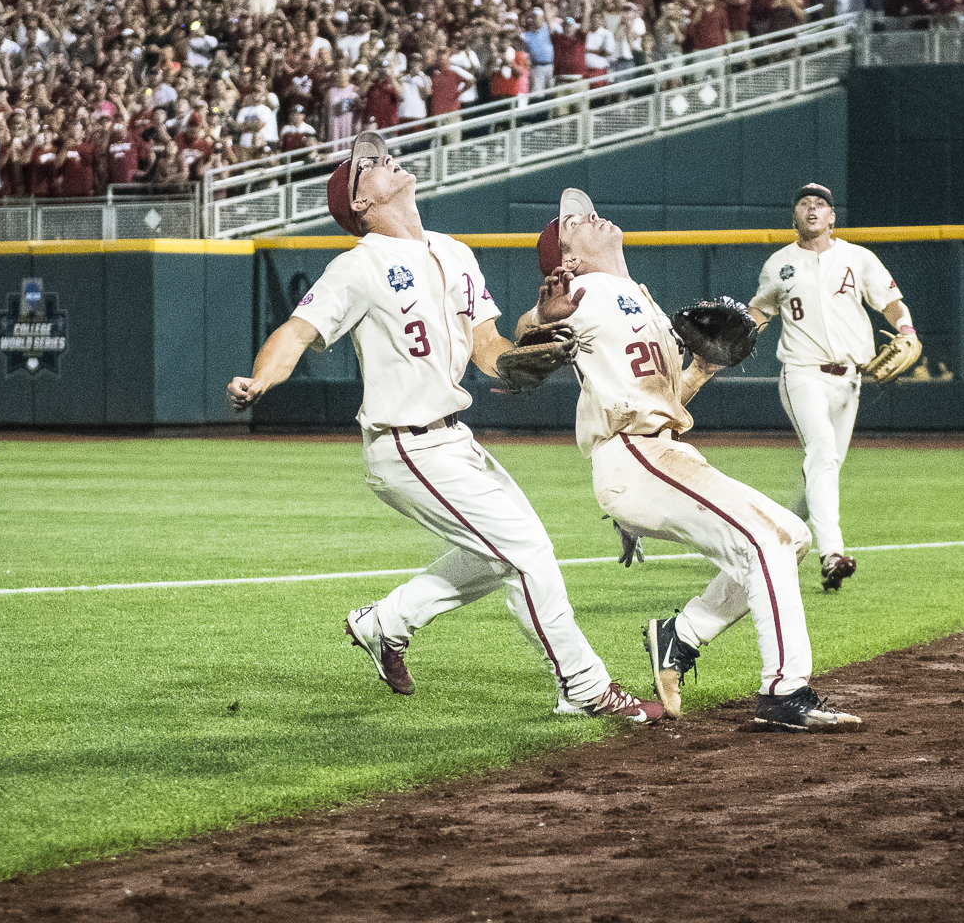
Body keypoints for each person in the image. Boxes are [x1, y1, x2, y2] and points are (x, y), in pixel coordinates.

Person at [226, 133, 662, 725]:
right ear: (358, 204)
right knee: (529, 553)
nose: (384, 161)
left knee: (495, 556)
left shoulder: (454, 251)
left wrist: (534, 342)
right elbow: (297, 332)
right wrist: (258, 382)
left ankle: (382, 624)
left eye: (380, 156)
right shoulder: (358, 265)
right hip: (404, 443)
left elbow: (490, 352)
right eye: (368, 166)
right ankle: (584, 686)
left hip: (454, 438)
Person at [522, 187, 861, 732]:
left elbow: (665, 397)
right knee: (765, 541)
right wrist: (543, 314)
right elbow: (525, 336)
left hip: (661, 450)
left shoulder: (641, 297)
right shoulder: (579, 290)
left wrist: (703, 365)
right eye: (574, 221)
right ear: (569, 258)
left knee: (793, 535)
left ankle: (681, 635)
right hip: (634, 454)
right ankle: (784, 690)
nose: (591, 216)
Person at [745, 184, 916, 592]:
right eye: (804, 204)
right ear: (795, 216)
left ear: (832, 217)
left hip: (850, 378)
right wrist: (739, 332)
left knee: (825, 468)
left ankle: (777, 536)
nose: (811, 209)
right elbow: (760, 310)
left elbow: (889, 301)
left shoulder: (858, 258)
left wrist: (906, 329)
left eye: (819, 204)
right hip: (801, 373)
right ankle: (831, 554)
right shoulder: (778, 263)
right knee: (821, 450)